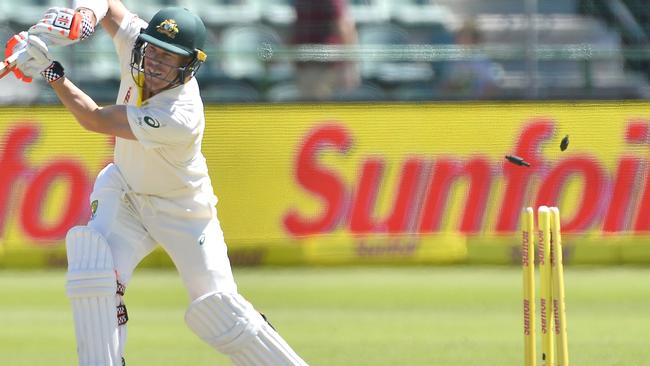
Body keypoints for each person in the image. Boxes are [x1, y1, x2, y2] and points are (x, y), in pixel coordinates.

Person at [6, 1, 308, 365]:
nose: (157, 62)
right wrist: (83, 17)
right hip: (126, 192)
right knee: (96, 278)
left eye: (171, 57)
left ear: (189, 65)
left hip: (183, 209)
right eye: (155, 50)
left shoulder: (179, 115)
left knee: (222, 311)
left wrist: (51, 72)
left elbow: (96, 120)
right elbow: (109, 5)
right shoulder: (140, 46)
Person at [292, 0, 360, 100]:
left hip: (321, 65)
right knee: (314, 109)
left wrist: (349, 66)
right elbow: (342, 28)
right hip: (312, 64)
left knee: (317, 109)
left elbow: (342, 27)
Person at [436, 20, 502, 99]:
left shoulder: (483, 61)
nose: (463, 42)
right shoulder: (453, 60)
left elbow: (492, 89)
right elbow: (444, 88)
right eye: (460, 39)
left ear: (475, 41)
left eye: (467, 39)